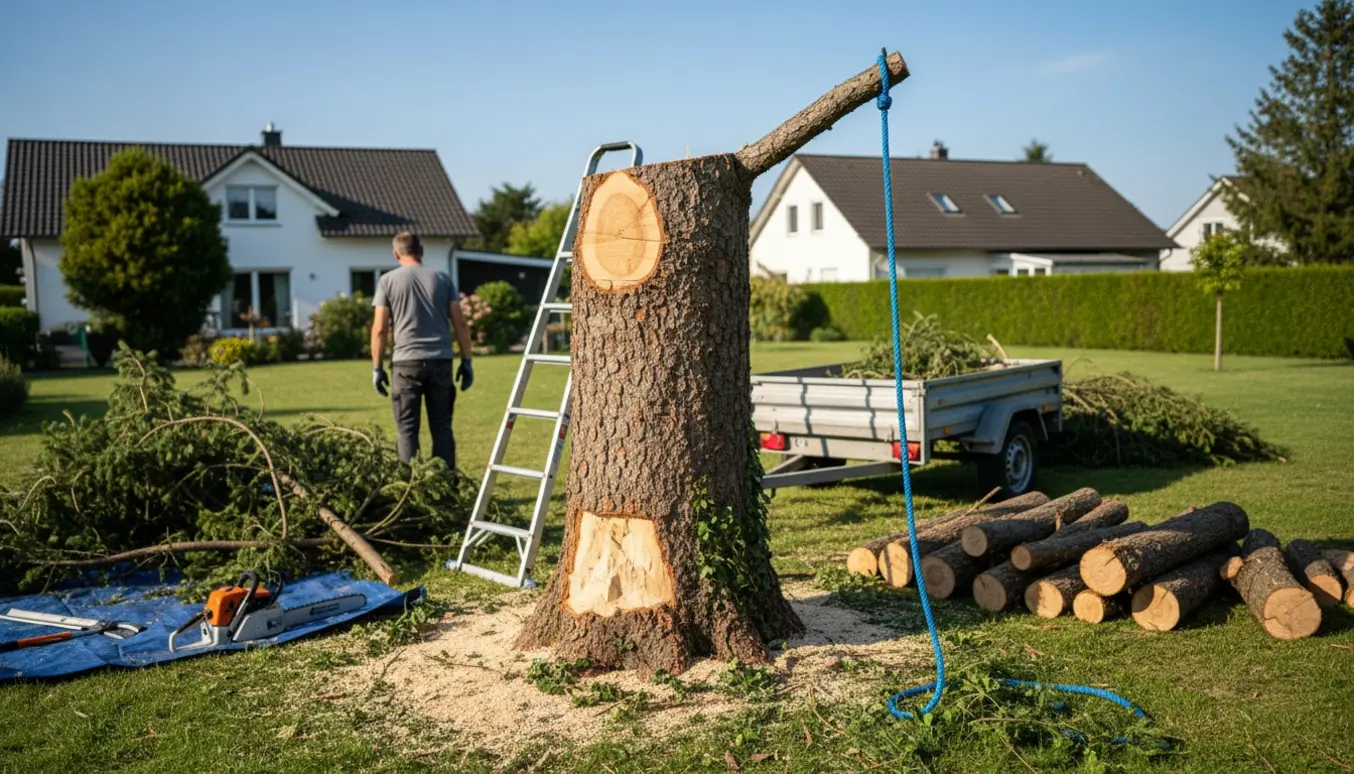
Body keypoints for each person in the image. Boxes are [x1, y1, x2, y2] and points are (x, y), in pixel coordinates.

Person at [370, 231, 474, 469]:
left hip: (405, 364)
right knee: (441, 427)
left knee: (407, 430)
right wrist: (467, 361)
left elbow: (379, 329)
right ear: (421, 251)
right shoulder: (442, 278)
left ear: (396, 253)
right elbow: (459, 322)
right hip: (441, 362)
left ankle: (411, 490)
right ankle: (445, 487)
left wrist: (377, 368)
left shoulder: (387, 281)